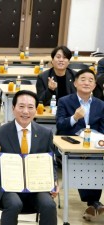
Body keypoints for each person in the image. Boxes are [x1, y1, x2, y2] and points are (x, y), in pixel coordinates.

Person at [0, 90, 58, 225]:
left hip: (36, 186)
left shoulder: (45, 133)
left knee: (49, 205)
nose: (26, 111)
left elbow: (50, 163)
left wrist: (53, 182)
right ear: (13, 109)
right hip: (8, 187)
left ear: (36, 110)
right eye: (21, 106)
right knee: (14, 204)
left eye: (30, 107)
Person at [56, 68, 104, 221]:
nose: (87, 82)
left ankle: (92, 203)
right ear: (75, 83)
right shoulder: (64, 101)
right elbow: (60, 126)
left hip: (94, 146)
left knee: (96, 159)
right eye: (83, 79)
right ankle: (93, 202)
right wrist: (75, 118)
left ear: (95, 85)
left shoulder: (101, 104)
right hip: (71, 145)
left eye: (91, 80)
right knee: (86, 159)